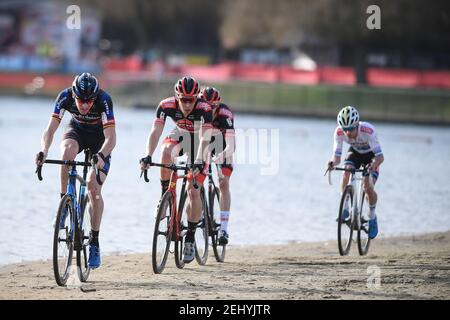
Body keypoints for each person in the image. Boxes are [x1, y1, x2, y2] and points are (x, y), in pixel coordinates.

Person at [35, 72, 116, 269]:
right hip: (77, 132)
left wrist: (102, 155)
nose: (86, 105)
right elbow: (51, 128)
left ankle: (95, 242)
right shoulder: (64, 97)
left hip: (100, 141)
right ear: (74, 94)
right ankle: (65, 201)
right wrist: (43, 151)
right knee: (66, 154)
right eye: (81, 100)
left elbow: (111, 137)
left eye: (90, 101)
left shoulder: (104, 100)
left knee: (93, 189)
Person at [140, 76, 212, 263]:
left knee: (193, 191)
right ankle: (165, 196)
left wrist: (197, 161)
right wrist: (148, 155)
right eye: (184, 100)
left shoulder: (204, 109)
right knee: (165, 153)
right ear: (177, 97)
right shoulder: (166, 105)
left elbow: (205, 138)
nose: (188, 104)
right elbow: (155, 131)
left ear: (197, 97)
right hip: (181, 134)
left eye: (191, 100)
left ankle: (190, 237)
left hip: (200, 143)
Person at [327, 106, 384, 239]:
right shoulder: (339, 132)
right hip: (355, 153)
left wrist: (373, 166)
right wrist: (331, 163)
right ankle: (345, 207)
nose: (347, 132)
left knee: (367, 188)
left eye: (350, 129)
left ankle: (372, 217)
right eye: (344, 129)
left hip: (371, 156)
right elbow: (336, 158)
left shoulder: (368, 131)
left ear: (357, 124)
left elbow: (380, 157)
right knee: (346, 171)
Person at [199, 86, 235, 245]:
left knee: (223, 183)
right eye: (205, 105)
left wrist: (223, 154)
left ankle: (224, 229)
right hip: (203, 144)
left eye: (212, 107)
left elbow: (231, 144)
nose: (208, 109)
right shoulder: (196, 111)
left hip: (222, 145)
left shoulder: (225, 114)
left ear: (217, 106)